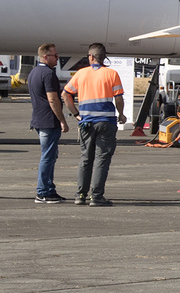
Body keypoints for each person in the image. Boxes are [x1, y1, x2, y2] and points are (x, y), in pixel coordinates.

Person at [63, 43, 125, 206]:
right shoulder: (112, 74)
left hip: (87, 123)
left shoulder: (80, 74)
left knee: (86, 158)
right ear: (104, 57)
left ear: (90, 57)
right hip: (106, 123)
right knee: (101, 159)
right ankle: (96, 196)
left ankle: (80, 195)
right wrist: (121, 114)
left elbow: (65, 94)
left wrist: (76, 114)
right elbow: (118, 98)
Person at [29, 43, 68, 204]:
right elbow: (53, 99)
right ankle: (43, 192)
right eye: (55, 56)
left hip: (38, 119)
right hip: (48, 121)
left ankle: (48, 189)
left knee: (50, 156)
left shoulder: (34, 72)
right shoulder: (48, 74)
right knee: (47, 157)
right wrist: (62, 120)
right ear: (46, 57)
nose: (57, 59)